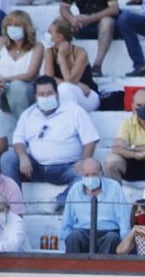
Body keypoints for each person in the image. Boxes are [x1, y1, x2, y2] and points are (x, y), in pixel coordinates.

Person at [1, 76, 98, 208]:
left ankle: (60, 201)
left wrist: (84, 161)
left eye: (49, 93)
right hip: (35, 167)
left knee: (88, 173)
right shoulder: (28, 114)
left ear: (57, 93)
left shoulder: (74, 111)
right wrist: (23, 156)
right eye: (41, 94)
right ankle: (15, 204)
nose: (46, 97)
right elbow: (18, 140)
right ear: (35, 96)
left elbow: (90, 140)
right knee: (8, 158)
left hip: (67, 168)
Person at [60, 158, 130, 254]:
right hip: (83, 232)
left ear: (101, 173)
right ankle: (72, 268)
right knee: (73, 237)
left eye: (94, 174)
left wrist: (125, 243)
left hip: (108, 232)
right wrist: (66, 238)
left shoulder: (114, 187)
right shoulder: (75, 190)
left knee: (112, 238)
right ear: (81, 175)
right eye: (86, 175)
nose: (90, 178)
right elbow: (67, 221)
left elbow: (124, 219)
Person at [105, 87, 145, 183]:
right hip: (132, 162)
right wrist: (135, 154)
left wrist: (130, 147)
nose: (143, 108)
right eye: (139, 105)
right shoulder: (127, 122)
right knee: (110, 160)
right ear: (132, 106)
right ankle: (117, 195)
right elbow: (116, 148)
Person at [0, 12, 45, 129]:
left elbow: (31, 75)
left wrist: (5, 79)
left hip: (25, 92)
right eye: (10, 25)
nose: (13, 28)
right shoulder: (1, 44)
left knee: (17, 86)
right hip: (2, 91)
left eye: (17, 25)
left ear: (26, 27)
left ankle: (24, 129)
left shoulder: (37, 47)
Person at [43, 18, 99, 112]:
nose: (47, 34)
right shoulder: (49, 52)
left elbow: (69, 80)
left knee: (64, 88)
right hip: (68, 94)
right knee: (62, 89)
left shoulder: (80, 53)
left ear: (59, 37)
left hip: (88, 95)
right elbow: (49, 78)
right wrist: (78, 84)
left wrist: (61, 57)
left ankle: (71, 118)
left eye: (50, 32)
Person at [58, 0, 119, 78]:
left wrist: (90, 18)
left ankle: (97, 65)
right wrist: (72, 19)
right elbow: (63, 8)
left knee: (107, 22)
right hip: (83, 23)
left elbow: (114, 9)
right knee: (60, 21)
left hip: (103, 21)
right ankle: (62, 63)